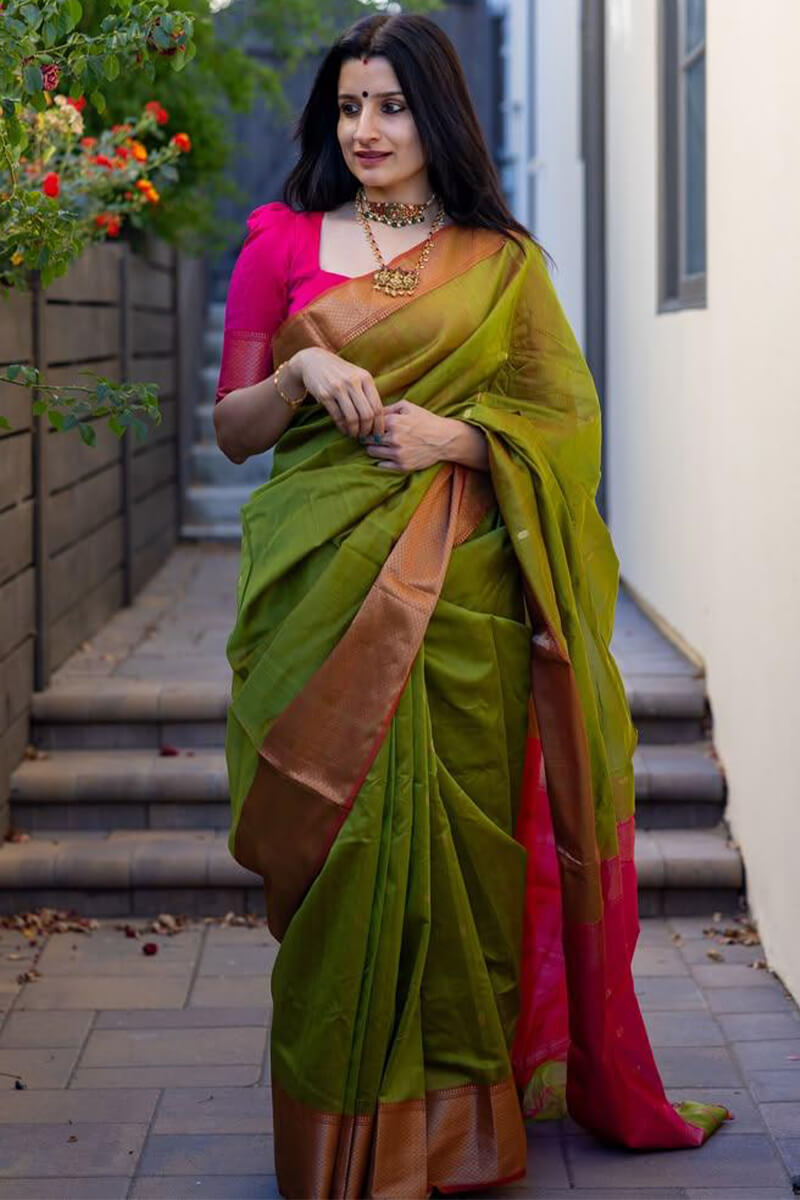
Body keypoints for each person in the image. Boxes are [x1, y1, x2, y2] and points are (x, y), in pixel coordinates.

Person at [213, 12, 729, 1199]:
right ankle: (337, 1133)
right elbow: (234, 430)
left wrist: (467, 437)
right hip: (319, 598)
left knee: (464, 872)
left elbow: (563, 425)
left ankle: (452, 1136)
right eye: (347, 107)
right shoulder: (280, 243)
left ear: (436, 114)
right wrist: (296, 372)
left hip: (461, 611)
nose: (365, 130)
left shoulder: (500, 262)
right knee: (342, 861)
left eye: (390, 106)